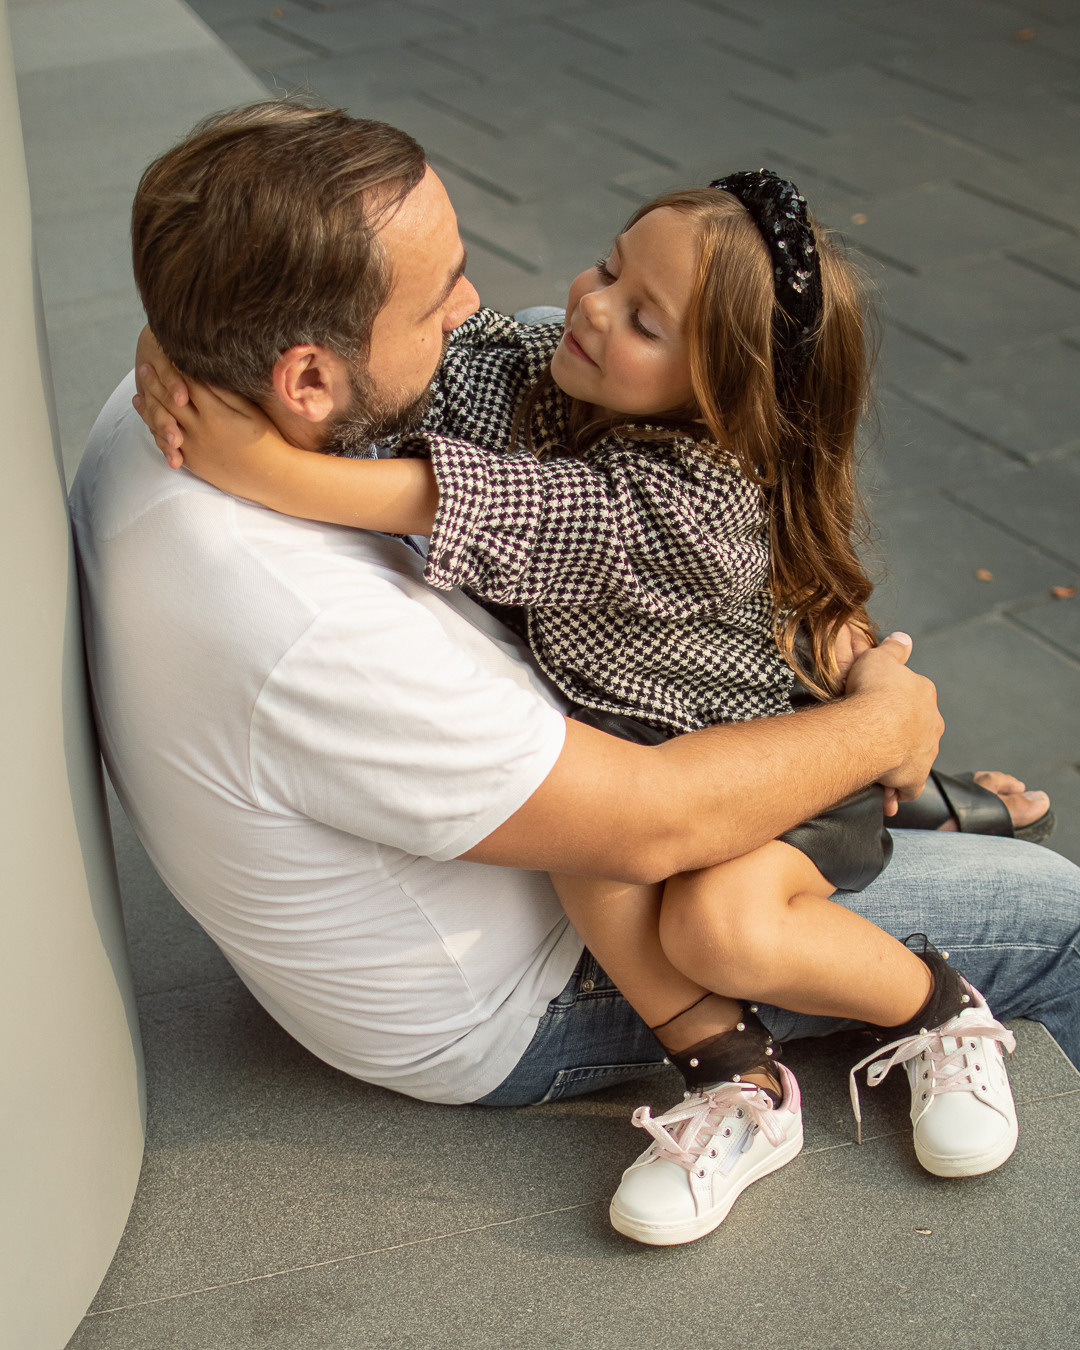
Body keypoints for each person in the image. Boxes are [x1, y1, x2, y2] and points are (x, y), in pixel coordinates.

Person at [70, 102, 1079, 1251]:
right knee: (1056, 919)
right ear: (306, 376)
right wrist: (891, 719)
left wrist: (883, 712)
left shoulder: (203, 393)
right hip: (569, 913)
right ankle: (786, 1061)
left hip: (702, 752)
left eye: (640, 314)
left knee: (748, 888)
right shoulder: (287, 605)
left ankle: (934, 936)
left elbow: (547, 500)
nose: (481, 308)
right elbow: (647, 815)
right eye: (440, 290)